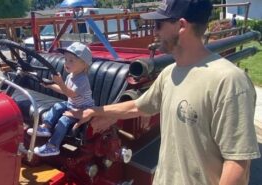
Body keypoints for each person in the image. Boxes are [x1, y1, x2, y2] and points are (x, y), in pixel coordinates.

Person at [65, 0, 261, 184]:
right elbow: (137, 106)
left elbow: (237, 163)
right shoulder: (169, 73)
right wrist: (96, 111)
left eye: (158, 25)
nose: (153, 32)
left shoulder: (229, 82)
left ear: (181, 26)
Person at [27, 42, 95, 157]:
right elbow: (64, 91)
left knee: (63, 121)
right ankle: (46, 127)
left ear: (84, 64)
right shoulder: (70, 76)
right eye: (66, 59)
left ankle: (53, 146)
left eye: (71, 60)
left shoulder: (82, 79)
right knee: (57, 106)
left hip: (82, 110)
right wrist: (50, 85)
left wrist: (60, 82)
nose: (66, 63)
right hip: (72, 104)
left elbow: (71, 93)